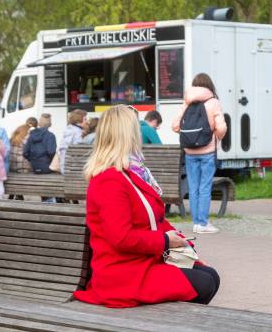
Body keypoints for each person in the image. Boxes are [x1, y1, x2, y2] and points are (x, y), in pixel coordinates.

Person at [73, 105, 220, 307]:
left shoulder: (129, 173)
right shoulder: (109, 180)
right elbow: (121, 238)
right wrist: (165, 241)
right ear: (128, 135)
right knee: (205, 283)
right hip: (122, 276)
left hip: (140, 264)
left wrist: (186, 249)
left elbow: (156, 217)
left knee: (209, 275)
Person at [172, 73, 227, 234]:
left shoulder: (187, 102)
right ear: (209, 85)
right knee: (205, 187)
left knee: (194, 187)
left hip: (189, 152)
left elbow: (175, 126)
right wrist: (217, 135)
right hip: (207, 151)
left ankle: (196, 222)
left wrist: (190, 136)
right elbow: (221, 127)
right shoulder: (213, 102)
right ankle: (203, 223)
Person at [59, 109, 87, 173]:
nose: (87, 122)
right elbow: (80, 153)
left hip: (64, 167)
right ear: (79, 120)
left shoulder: (68, 129)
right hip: (73, 170)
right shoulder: (78, 133)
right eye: (85, 119)